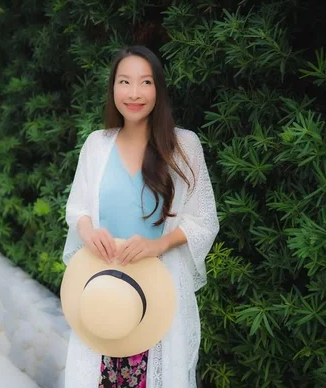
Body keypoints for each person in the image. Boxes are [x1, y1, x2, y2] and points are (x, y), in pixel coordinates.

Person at [62, 45, 220, 388]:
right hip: (101, 292)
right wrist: (88, 230)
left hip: (157, 293)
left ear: (158, 89)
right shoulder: (96, 144)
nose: (134, 93)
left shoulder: (184, 145)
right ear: (112, 88)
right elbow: (77, 209)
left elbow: (204, 218)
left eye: (145, 82)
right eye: (124, 81)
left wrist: (158, 245)